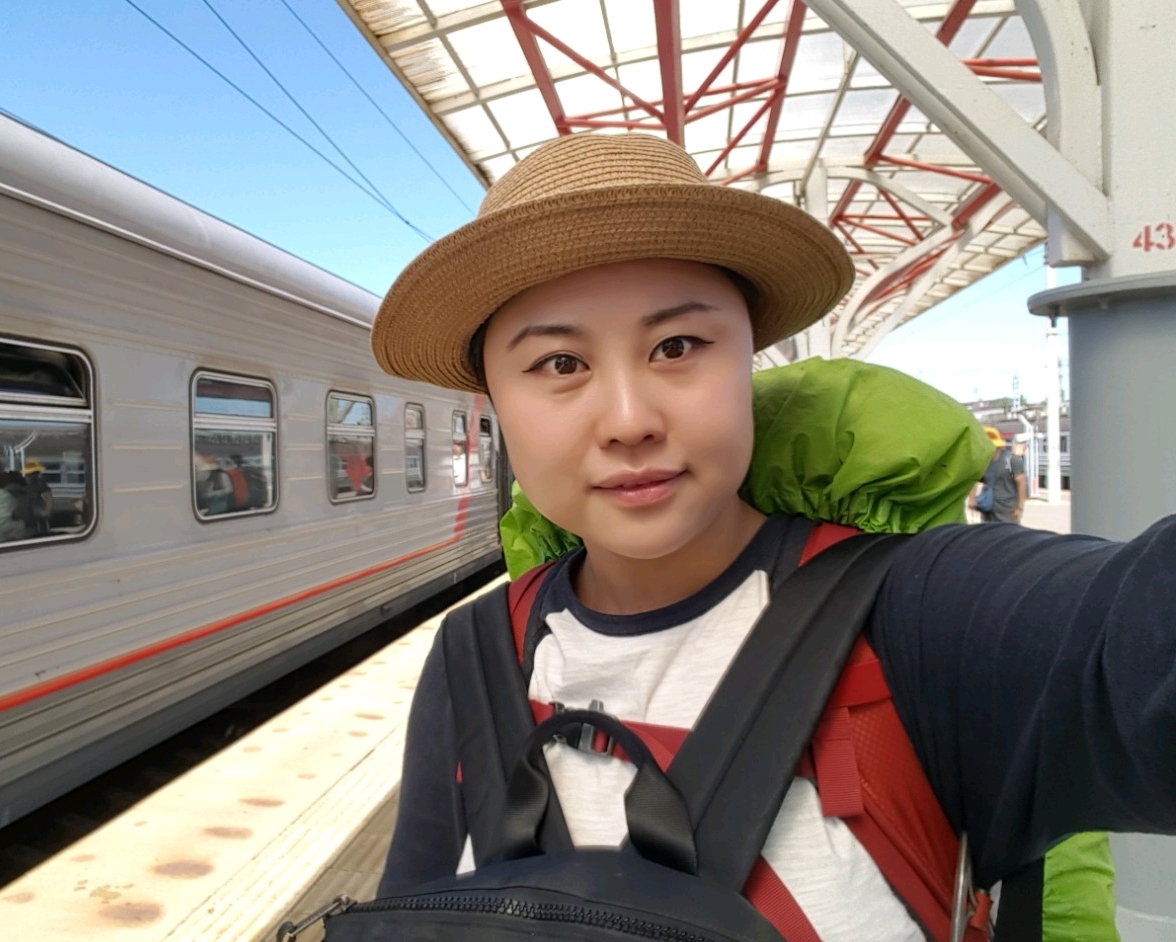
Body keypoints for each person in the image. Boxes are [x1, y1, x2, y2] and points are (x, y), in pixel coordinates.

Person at [368, 134, 1175, 939]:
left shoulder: (925, 614)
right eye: (558, 364)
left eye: (677, 346)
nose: (629, 420)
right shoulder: (474, 654)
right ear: (495, 407)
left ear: (748, 360)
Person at [970, 427, 1027, 523]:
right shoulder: (983, 462)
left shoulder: (1012, 460)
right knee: (988, 531)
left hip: (1008, 511)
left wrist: (1019, 508)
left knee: (1007, 532)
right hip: (988, 509)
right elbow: (974, 479)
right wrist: (971, 498)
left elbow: (1022, 484)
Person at [19, 459, 53, 536]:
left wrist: (45, 512)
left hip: (38, 516)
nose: (32, 476)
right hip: (25, 518)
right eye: (30, 473)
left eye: (35, 473)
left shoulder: (41, 485)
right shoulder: (21, 485)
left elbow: (48, 498)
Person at [0, 471, 29, 543]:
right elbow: (4, 523)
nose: (19, 488)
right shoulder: (7, 497)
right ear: (13, 484)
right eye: (19, 485)